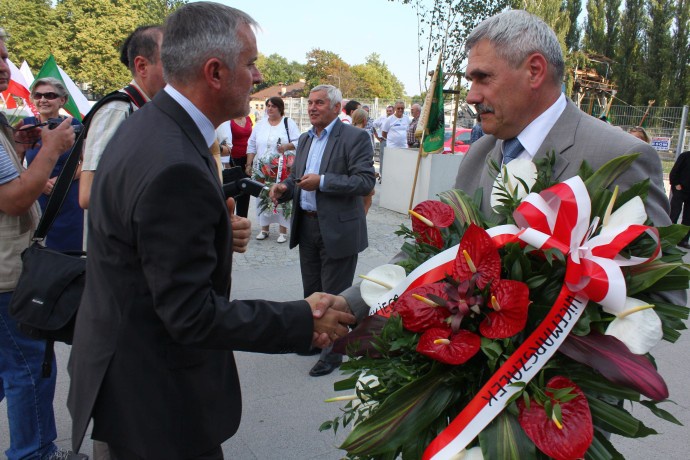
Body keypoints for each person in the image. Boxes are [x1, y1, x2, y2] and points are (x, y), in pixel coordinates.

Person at [66, 4, 354, 458]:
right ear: (215, 72)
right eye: (251, 63)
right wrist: (301, 318)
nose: (259, 76)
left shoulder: (156, 124)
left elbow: (148, 254)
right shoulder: (173, 161)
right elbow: (189, 314)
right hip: (157, 398)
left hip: (131, 374)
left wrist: (218, 230)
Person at [332, 9, 678, 323]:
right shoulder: (480, 153)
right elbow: (432, 251)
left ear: (534, 71)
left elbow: (664, 292)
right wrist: (351, 304)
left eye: (483, 78)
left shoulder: (619, 157)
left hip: (555, 391)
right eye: (471, 80)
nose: (471, 95)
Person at [0, 29, 80, 460]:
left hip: (22, 258)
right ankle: (34, 454)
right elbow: (13, 200)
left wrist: (18, 145)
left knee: (10, 366)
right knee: (30, 369)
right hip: (7, 271)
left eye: (5, 57)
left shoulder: (5, 125)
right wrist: (48, 150)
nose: (4, 65)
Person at [269, 84, 375, 377]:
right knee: (312, 291)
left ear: (337, 107)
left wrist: (324, 182)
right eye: (310, 103)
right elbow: (296, 178)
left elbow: (365, 182)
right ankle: (317, 340)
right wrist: (284, 188)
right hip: (307, 226)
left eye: (319, 103)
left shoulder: (355, 137)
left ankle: (333, 353)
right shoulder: (304, 139)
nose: (312, 107)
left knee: (335, 295)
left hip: (339, 229)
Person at [79, 25, 165, 211]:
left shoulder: (150, 109)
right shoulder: (117, 110)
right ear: (142, 66)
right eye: (170, 60)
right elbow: (89, 193)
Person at [23, 77, 84, 251]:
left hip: (68, 198)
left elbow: (85, 163)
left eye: (49, 95)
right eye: (38, 95)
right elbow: (16, 165)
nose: (43, 100)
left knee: (67, 256)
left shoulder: (74, 126)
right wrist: (39, 181)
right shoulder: (26, 127)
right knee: (36, 253)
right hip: (36, 197)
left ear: (62, 100)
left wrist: (63, 179)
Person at [246, 96, 300, 243]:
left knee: (282, 196)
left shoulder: (288, 123)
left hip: (282, 169)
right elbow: (251, 145)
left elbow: (299, 140)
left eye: (273, 106)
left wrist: (286, 147)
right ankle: (264, 229)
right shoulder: (260, 125)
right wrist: (248, 164)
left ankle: (283, 230)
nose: (270, 108)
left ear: (280, 108)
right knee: (263, 196)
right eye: (268, 105)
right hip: (262, 169)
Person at [222, 115, 253, 217]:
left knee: (246, 190)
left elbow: (251, 139)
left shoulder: (248, 119)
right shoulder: (229, 120)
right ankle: (230, 220)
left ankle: (242, 218)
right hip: (232, 160)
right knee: (232, 191)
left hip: (247, 159)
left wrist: (249, 163)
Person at [352, 107, 376, 214]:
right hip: (363, 173)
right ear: (365, 121)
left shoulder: (347, 132)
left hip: (350, 173)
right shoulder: (365, 134)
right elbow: (369, 155)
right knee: (366, 202)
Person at [669, 150, 690, 248]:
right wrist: (676, 183)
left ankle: (683, 240)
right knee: (675, 212)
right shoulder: (685, 156)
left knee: (688, 217)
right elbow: (675, 171)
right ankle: (668, 237)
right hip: (680, 188)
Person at [373, 105, 393, 181]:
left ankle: (390, 177)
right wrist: (378, 137)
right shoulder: (382, 118)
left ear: (393, 111)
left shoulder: (395, 119)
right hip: (384, 141)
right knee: (383, 159)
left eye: (390, 111)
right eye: (387, 111)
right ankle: (382, 176)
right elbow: (373, 126)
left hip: (393, 142)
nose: (389, 112)